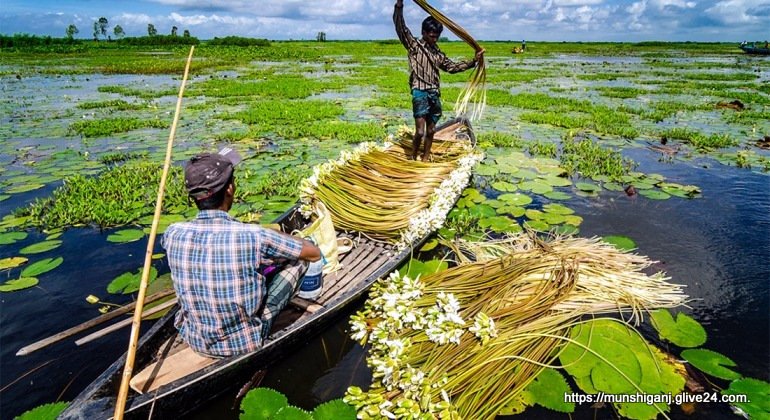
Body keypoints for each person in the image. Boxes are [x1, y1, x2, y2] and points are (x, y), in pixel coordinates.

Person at [161, 147, 321, 357]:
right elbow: (313, 253)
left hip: (195, 340)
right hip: (243, 343)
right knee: (300, 260)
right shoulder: (253, 235)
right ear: (229, 189)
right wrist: (274, 238)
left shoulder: (172, 232)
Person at [393, 0, 484, 162]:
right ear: (424, 32)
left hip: (434, 93)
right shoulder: (414, 46)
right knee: (420, 131)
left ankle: (425, 157)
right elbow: (400, 27)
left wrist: (473, 61)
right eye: (431, 36)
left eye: (437, 37)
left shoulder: (438, 54)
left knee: (431, 130)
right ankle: (412, 158)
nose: (434, 39)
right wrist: (399, 4)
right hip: (420, 92)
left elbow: (452, 67)